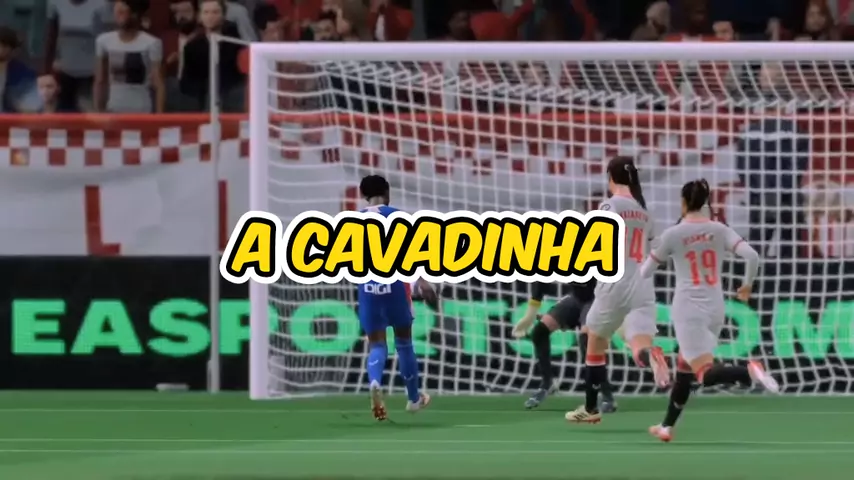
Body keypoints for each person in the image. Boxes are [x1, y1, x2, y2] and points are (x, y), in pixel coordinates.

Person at [640, 179, 779, 443]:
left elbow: (645, 272)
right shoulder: (719, 229)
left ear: (683, 203)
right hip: (716, 307)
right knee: (685, 366)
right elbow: (752, 256)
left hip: (688, 309)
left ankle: (748, 371)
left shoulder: (673, 234)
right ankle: (667, 426)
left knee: (703, 372)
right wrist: (747, 286)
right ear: (706, 202)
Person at [565, 156, 671, 425]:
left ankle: (590, 408)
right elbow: (656, 248)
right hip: (642, 284)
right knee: (639, 345)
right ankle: (650, 356)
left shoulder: (610, 205)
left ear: (610, 178)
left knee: (594, 341)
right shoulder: (645, 211)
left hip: (615, 282)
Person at [358, 175, 434, 421]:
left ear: (363, 195)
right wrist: (421, 281)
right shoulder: (399, 217)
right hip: (395, 286)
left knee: (377, 345)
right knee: (404, 342)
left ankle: (374, 382)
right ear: (387, 192)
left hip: (368, 288)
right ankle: (413, 398)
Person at [514, 281, 618, 413]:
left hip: (599, 299)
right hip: (577, 298)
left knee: (587, 341)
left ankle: (607, 396)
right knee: (540, 331)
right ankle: (547, 383)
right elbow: (541, 282)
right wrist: (530, 314)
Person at [93, 0, 165, 113]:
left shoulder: (152, 43)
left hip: (142, 109)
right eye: (117, 13)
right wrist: (98, 111)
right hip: (114, 109)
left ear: (134, 14)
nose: (118, 17)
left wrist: (160, 115)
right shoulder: (104, 41)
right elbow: (100, 80)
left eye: (122, 12)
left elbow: (158, 83)